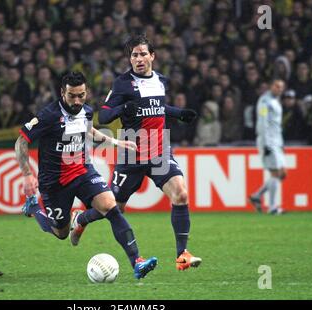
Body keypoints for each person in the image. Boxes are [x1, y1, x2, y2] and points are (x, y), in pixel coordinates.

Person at [70, 35, 202, 271]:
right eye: (134, 55)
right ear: (129, 59)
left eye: (143, 54)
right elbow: (104, 116)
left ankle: (182, 255)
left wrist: (178, 113)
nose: (138, 59)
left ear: (152, 56)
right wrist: (125, 107)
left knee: (181, 194)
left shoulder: (161, 80)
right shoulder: (123, 83)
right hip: (132, 153)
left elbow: (156, 107)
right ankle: (81, 219)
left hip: (160, 151)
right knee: (113, 208)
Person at [15, 71, 158, 279]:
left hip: (82, 171)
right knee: (61, 233)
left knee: (112, 206)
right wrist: (27, 174)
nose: (77, 101)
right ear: (62, 93)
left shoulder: (87, 111)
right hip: (55, 182)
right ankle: (34, 207)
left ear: (86, 92)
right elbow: (21, 141)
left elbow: (90, 132)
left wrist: (117, 142)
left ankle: (137, 261)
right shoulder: (48, 115)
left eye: (81, 95)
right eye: (72, 96)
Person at [249, 79, 287, 215]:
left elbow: (277, 124)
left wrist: (281, 143)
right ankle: (272, 207)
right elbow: (263, 122)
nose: (280, 89)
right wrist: (266, 144)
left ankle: (256, 196)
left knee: (282, 174)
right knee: (275, 173)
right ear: (271, 86)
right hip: (269, 141)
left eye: (282, 87)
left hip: (277, 141)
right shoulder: (265, 101)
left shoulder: (276, 101)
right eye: (277, 86)